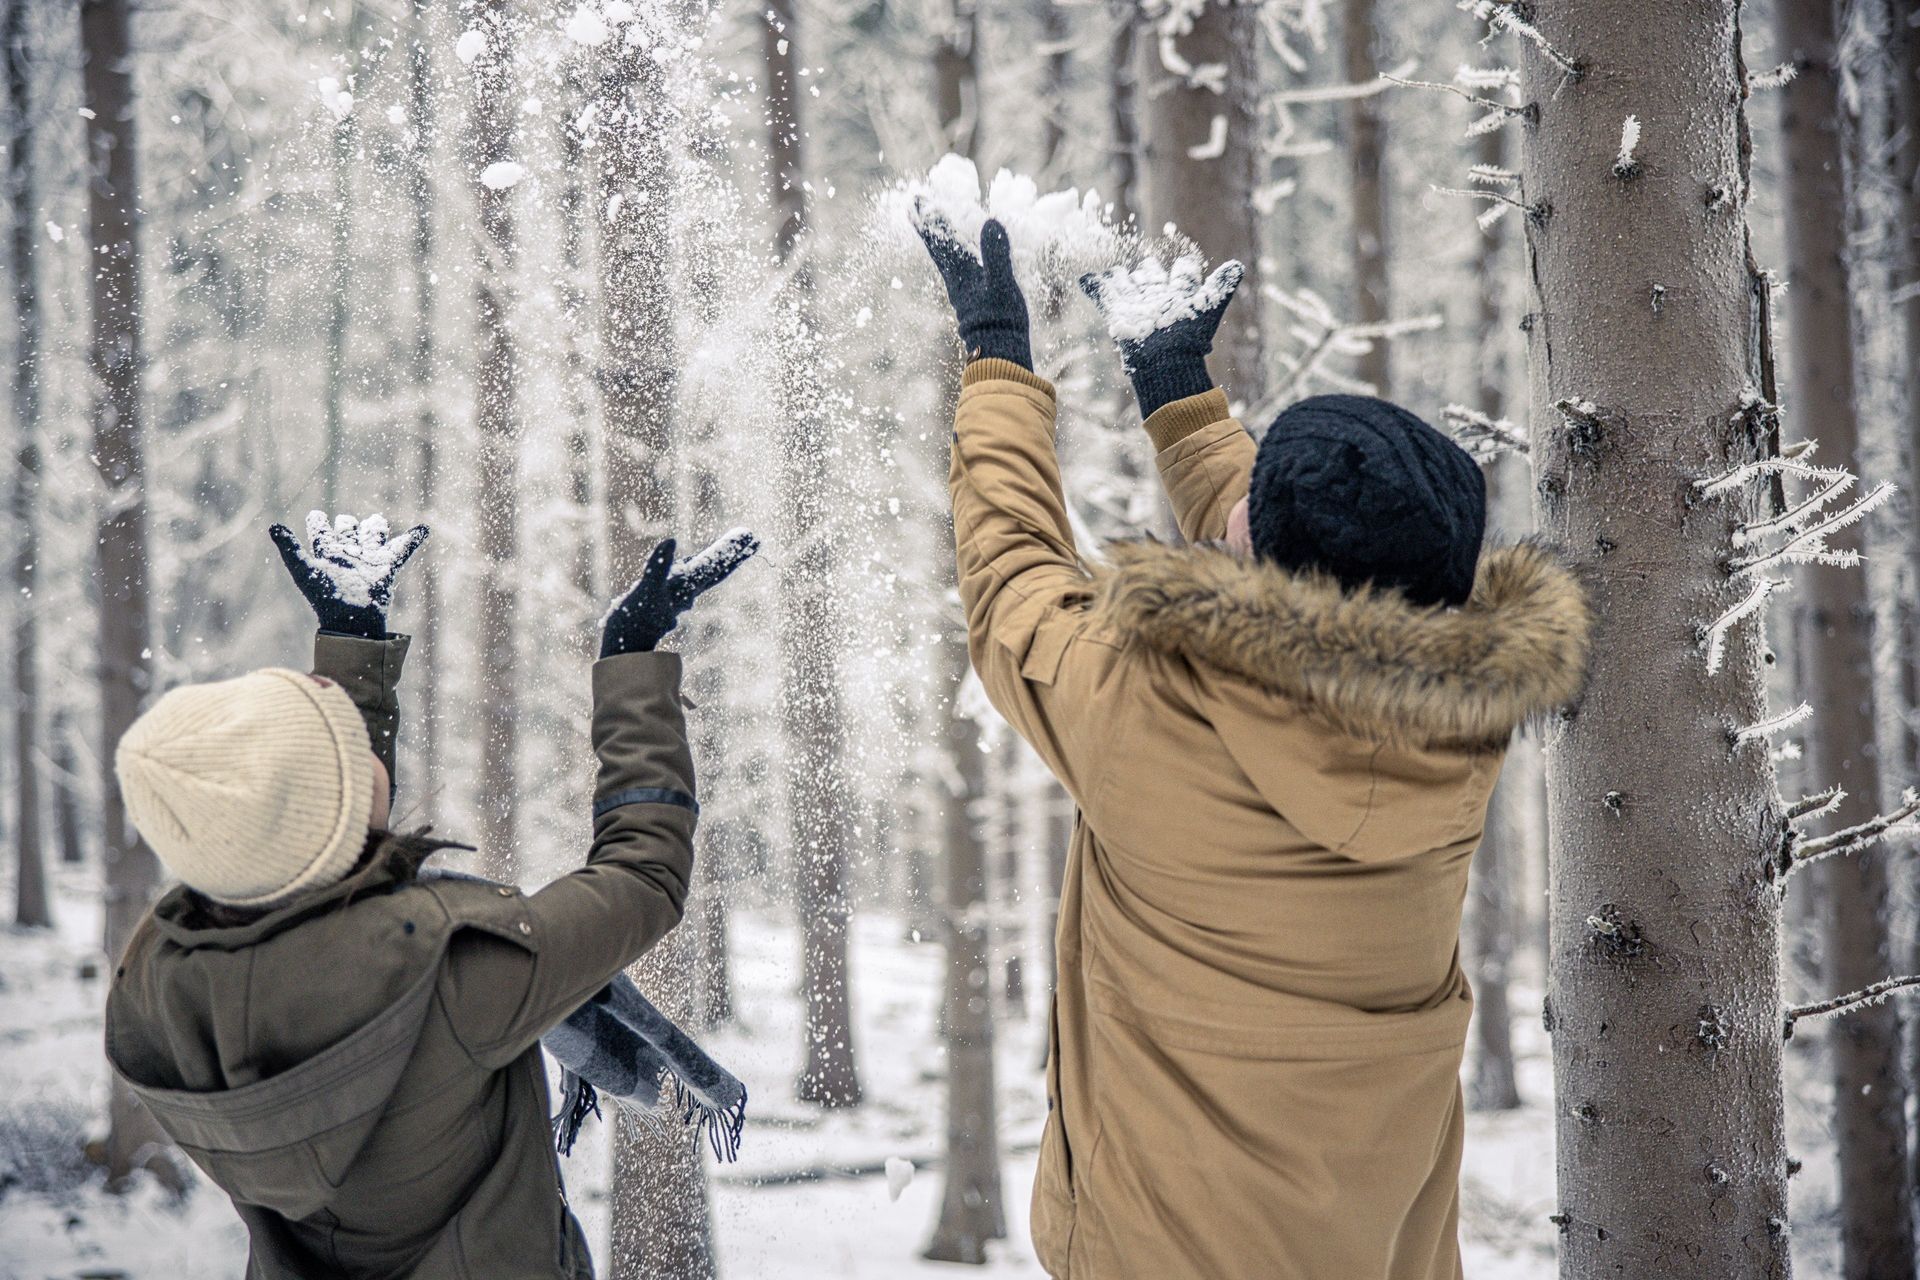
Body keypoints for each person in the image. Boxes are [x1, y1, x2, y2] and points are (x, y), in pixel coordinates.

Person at [914, 213, 1593, 1280]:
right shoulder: (1462, 737)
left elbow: (1013, 583)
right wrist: (1180, 398)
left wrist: (998, 361)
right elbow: (1309, 581)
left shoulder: (1146, 709)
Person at [103, 512, 755, 1279]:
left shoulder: (155, 991)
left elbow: (306, 857)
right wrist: (631, 663)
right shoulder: (457, 976)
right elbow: (643, 877)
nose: (366, 761)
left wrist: (352, 643)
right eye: (346, 755)